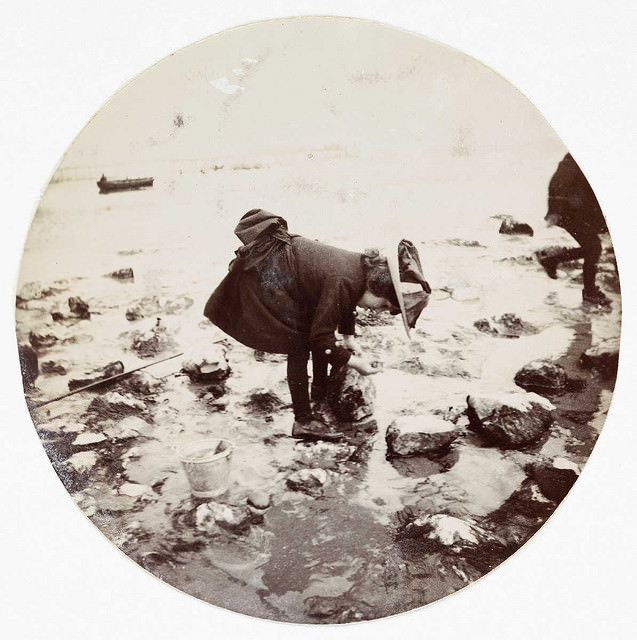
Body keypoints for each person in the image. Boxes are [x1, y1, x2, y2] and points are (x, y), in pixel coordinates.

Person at [204, 209, 430, 440]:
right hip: (272, 275)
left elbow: (345, 304)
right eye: (382, 305)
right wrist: (356, 363)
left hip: (292, 274)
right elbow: (321, 338)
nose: (377, 311)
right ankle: (303, 421)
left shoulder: (360, 271)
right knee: (300, 341)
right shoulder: (344, 279)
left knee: (319, 327)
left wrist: (349, 339)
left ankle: (319, 394)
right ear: (376, 287)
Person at [535, 153, 611, 306]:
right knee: (594, 247)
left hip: (580, 212)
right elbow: (558, 181)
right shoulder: (574, 157)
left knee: (593, 247)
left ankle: (553, 260)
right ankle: (589, 292)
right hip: (568, 212)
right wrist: (555, 210)